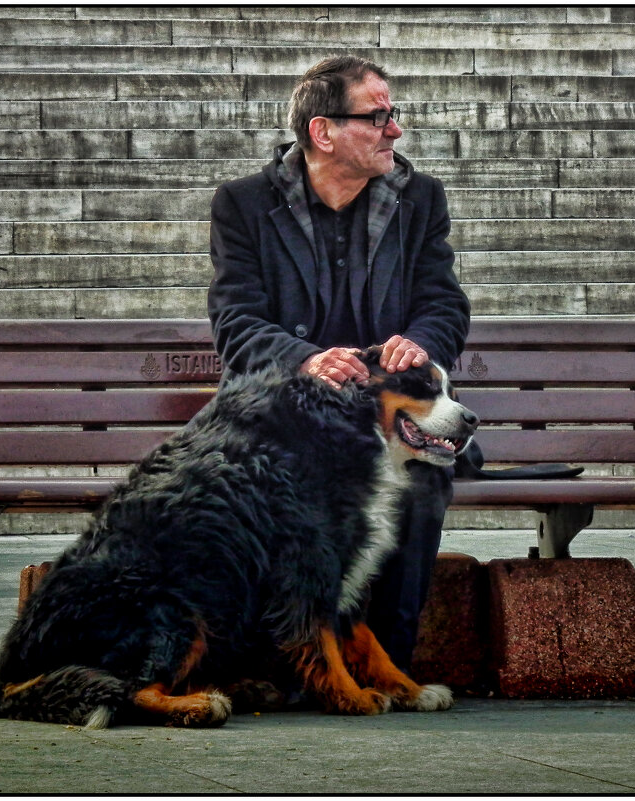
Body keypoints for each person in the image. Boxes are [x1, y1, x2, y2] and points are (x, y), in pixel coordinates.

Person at [207, 55, 471, 671]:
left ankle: (389, 667)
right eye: (377, 117)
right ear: (323, 132)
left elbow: (444, 303)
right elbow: (235, 324)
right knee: (272, 486)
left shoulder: (420, 198)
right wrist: (307, 359)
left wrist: (422, 342)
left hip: (390, 416)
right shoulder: (243, 205)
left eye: (393, 114)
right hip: (290, 417)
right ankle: (280, 664)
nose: (395, 131)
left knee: (425, 477)